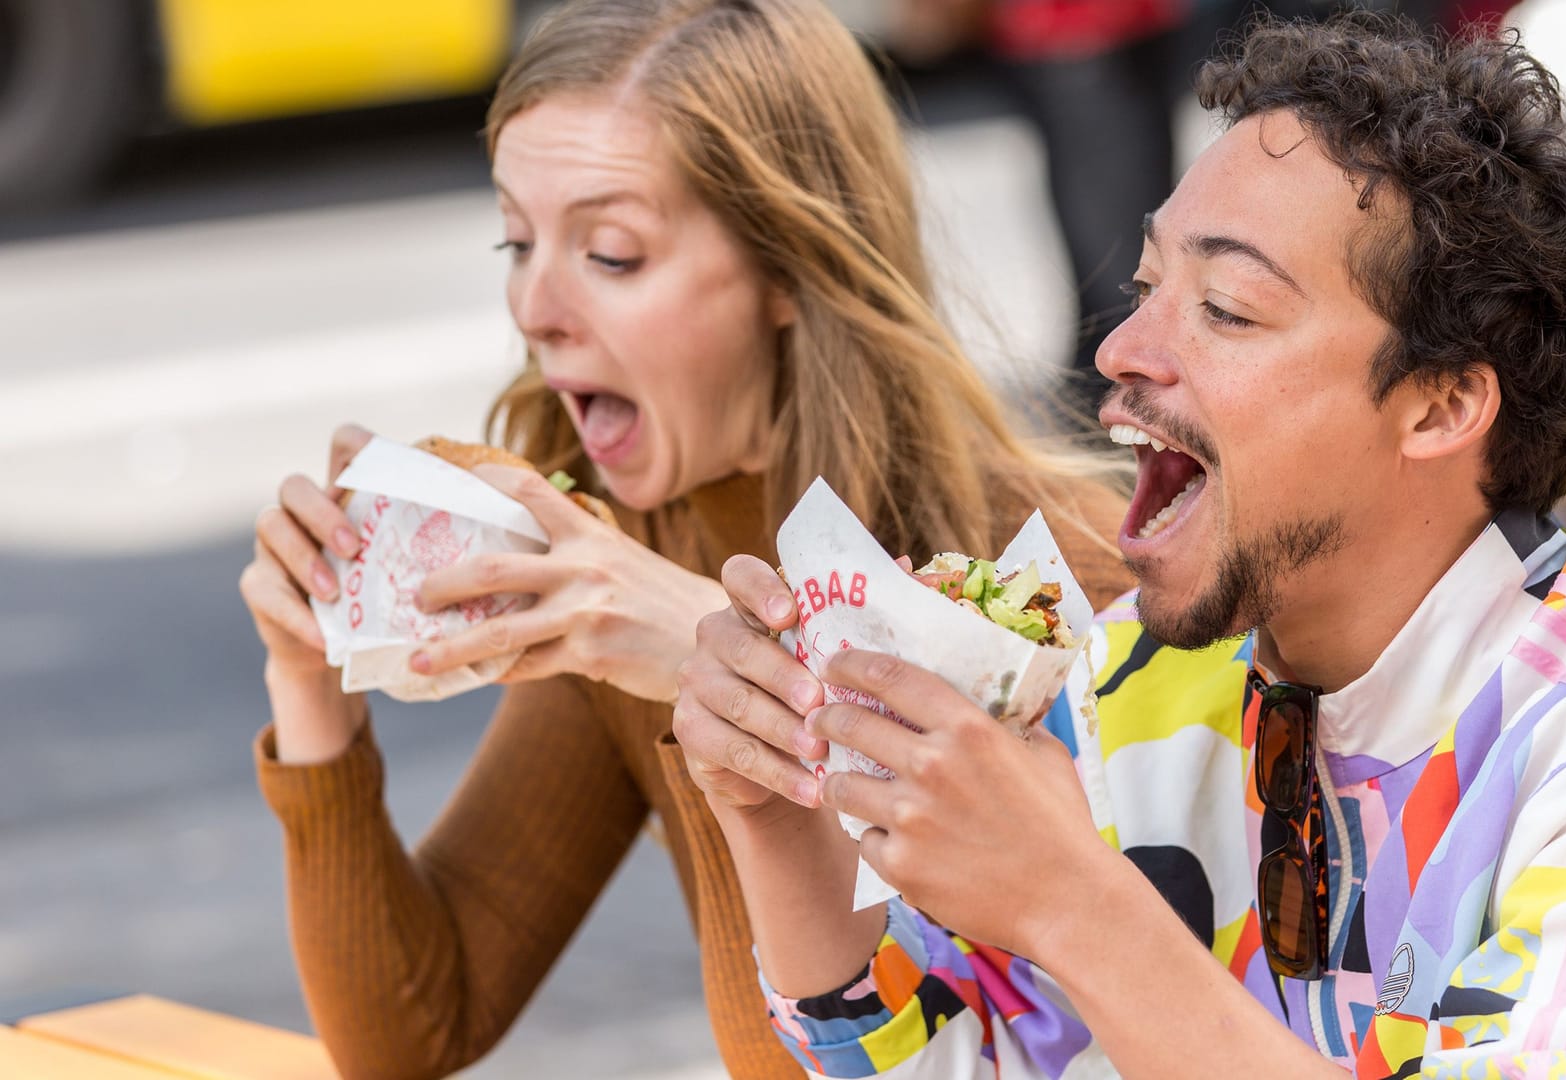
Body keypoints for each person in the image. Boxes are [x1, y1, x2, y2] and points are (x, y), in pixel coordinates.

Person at [676, 14, 1566, 1078]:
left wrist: (1071, 899)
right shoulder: (1139, 678)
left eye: (1224, 308)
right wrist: (779, 816)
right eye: (1148, 283)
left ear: (1441, 405)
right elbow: (962, 1056)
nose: (1121, 354)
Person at [234, 1, 1136, 1076]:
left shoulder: (1056, 575)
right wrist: (308, 685)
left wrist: (716, 659)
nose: (535, 304)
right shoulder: (619, 562)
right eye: (517, 240)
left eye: (611, 254)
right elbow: (413, 1024)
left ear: (792, 270)